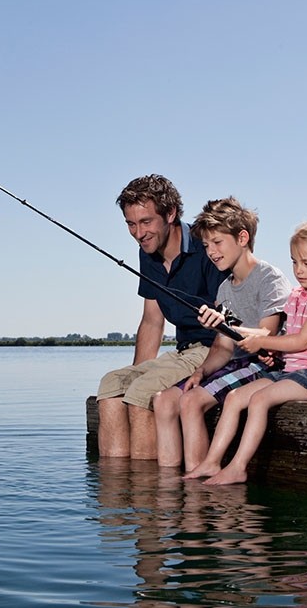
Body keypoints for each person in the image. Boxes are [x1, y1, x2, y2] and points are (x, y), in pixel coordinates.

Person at [188, 219, 307, 485]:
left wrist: (265, 343)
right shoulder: (297, 295)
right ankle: (211, 461)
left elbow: (302, 341)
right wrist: (228, 327)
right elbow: (276, 336)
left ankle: (238, 467)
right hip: (290, 373)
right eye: (294, 262)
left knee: (259, 400)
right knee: (235, 397)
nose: (299, 270)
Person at [153, 198, 290, 471]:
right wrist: (201, 372)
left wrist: (226, 323)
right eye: (205, 246)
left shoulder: (269, 279)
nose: (211, 252)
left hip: (262, 366)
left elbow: (266, 334)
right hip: (234, 363)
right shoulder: (224, 289)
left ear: (242, 237)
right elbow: (224, 347)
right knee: (164, 401)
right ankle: (167, 491)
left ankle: (199, 484)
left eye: (217, 242)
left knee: (191, 402)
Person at [96, 175, 227, 460]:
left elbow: (231, 318)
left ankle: (146, 499)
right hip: (183, 352)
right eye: (131, 224)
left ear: (170, 214)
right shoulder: (148, 252)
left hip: (216, 349)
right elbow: (152, 321)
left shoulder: (207, 248)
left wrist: (141, 388)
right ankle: (115, 496)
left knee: (143, 393)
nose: (138, 233)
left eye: (146, 222)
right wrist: (135, 376)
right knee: (110, 385)